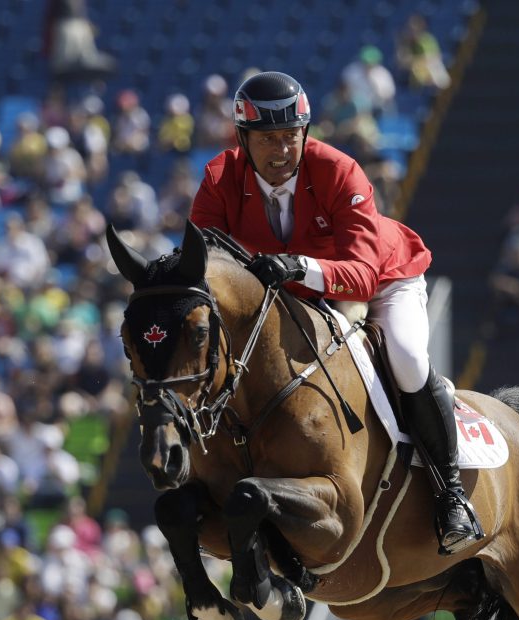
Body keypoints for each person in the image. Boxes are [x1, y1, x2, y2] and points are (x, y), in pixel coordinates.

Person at [189, 71, 481, 555]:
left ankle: (451, 493)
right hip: (293, 292)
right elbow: (200, 266)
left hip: (384, 278)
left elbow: (363, 278)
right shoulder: (221, 177)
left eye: (290, 136)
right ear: (243, 139)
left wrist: (299, 266)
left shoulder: (339, 171)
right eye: (267, 139)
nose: (281, 150)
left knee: (406, 359)